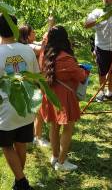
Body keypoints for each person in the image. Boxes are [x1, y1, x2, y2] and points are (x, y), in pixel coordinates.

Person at [40, 25, 89, 171]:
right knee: (67, 128)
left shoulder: (45, 54)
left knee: (54, 126)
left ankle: (55, 156)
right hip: (64, 97)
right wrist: (84, 70)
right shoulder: (66, 58)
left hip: (50, 95)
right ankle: (61, 162)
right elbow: (80, 76)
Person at [0, 13, 39, 190]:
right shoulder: (27, 50)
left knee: (7, 145)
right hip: (26, 106)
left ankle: (22, 182)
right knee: (21, 143)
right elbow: (36, 77)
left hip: (6, 110)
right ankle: (19, 180)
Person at [85, 0, 112, 102]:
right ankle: (101, 92)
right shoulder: (97, 12)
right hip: (101, 47)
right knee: (102, 71)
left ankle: (109, 92)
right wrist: (100, 19)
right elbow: (86, 24)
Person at [18, 24, 50, 147]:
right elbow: (43, 48)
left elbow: (40, 43)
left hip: (29, 81)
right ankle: (37, 137)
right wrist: (50, 27)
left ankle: (33, 136)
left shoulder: (23, 45)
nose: (35, 35)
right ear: (27, 36)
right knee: (38, 110)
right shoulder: (29, 47)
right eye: (33, 33)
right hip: (34, 81)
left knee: (34, 110)